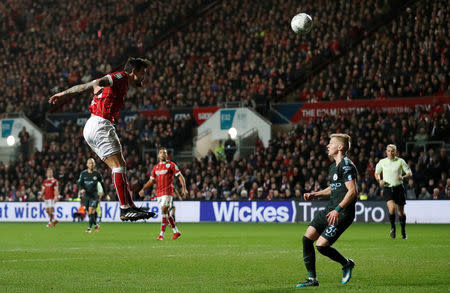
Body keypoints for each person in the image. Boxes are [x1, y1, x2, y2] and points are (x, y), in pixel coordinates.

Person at [49, 57, 156, 221]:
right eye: (143, 73)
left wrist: (63, 94)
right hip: (101, 123)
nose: (143, 77)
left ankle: (130, 206)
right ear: (133, 72)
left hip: (91, 126)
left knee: (120, 166)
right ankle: (125, 209)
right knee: (119, 167)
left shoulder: (119, 83)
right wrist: (64, 93)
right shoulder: (119, 77)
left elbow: (85, 86)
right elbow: (100, 81)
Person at [297, 134, 357, 288]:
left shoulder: (347, 165)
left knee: (322, 246)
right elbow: (334, 188)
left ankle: (346, 263)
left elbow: (352, 191)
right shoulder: (333, 167)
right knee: (307, 239)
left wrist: (338, 209)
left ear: (340, 147)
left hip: (342, 213)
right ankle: (312, 279)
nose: (328, 146)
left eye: (331, 143)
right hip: (330, 209)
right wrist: (315, 194)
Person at [139, 148, 188, 240]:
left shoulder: (171, 165)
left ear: (167, 155)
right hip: (159, 193)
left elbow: (180, 176)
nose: (162, 154)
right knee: (166, 213)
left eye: (164, 153)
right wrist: (143, 189)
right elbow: (151, 181)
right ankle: (176, 232)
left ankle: (161, 235)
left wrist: (184, 188)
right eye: (161, 153)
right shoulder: (155, 167)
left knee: (163, 209)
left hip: (168, 192)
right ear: (158, 155)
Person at [374, 144, 412, 239]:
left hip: (399, 188)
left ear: (396, 152)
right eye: (389, 151)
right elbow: (376, 173)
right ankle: (392, 227)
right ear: (386, 152)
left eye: (392, 151)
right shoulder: (382, 162)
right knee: (391, 208)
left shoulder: (400, 161)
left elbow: (409, 173)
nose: (390, 153)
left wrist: (402, 177)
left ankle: (403, 230)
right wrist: (379, 180)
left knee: (401, 211)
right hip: (388, 188)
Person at [78, 158, 104, 233]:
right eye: (89, 163)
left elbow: (102, 184)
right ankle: (96, 225)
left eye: (92, 163)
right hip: (86, 196)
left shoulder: (97, 174)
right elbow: (80, 183)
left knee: (91, 210)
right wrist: (81, 189)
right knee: (89, 213)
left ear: (94, 164)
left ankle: (89, 228)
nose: (91, 164)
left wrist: (105, 193)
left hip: (94, 195)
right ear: (87, 164)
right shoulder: (83, 173)